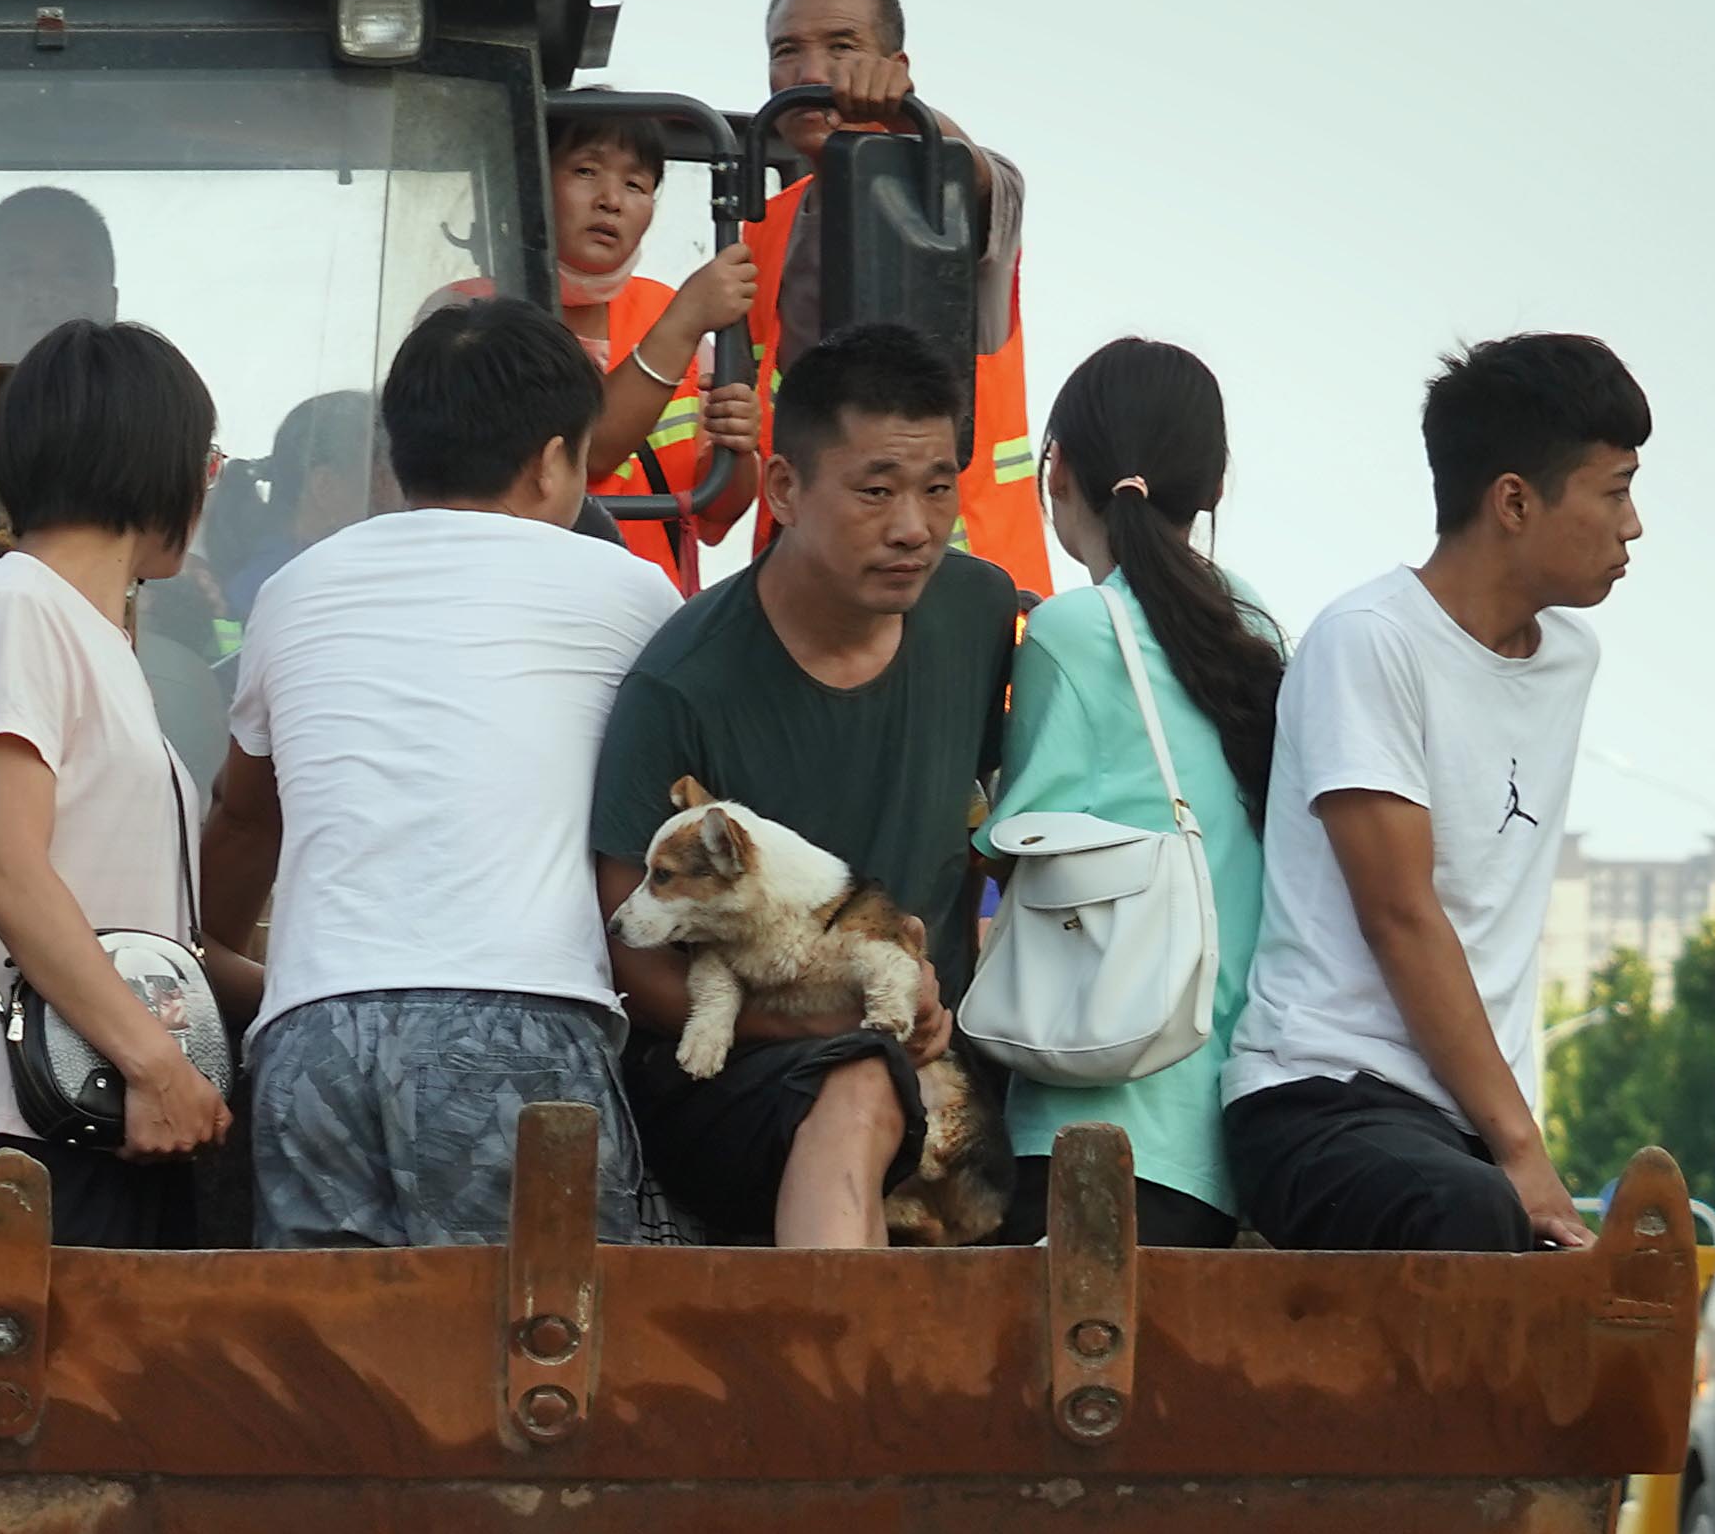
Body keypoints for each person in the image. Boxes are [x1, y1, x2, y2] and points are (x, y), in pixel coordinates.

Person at [210, 299, 681, 1248]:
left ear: (399, 454)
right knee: (546, 1364)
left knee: (332, 1374)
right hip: (518, 1023)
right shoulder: (631, 594)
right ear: (555, 460)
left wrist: (205, 953)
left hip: (312, 1038)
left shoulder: (293, 591)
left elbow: (246, 817)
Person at [588, 323, 1019, 1248]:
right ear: (783, 488)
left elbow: (982, 827)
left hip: (932, 1046)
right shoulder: (684, 685)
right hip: (733, 1074)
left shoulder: (978, 612)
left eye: (938, 487)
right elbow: (635, 951)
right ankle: (834, 1376)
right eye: (877, 491)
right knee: (861, 1079)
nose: (914, 526)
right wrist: (821, 1021)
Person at [1224, 332, 1649, 1257]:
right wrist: (1524, 1153)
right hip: (1323, 1097)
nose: (1634, 524)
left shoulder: (1572, 658)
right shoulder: (1369, 642)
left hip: (1468, 1125)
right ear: (1513, 501)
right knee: (1468, 1215)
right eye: (1615, 490)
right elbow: (1401, 916)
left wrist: (1512, 1144)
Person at [0, 318, 240, 1244]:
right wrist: (157, 1065)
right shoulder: (19, 608)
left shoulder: (87, 632)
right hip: (25, 1126)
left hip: (105, 1111)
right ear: (158, 464)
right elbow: (8, 868)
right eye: (202, 459)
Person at [980, 339, 1283, 1248]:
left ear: (1059, 469)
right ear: (1215, 486)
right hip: (1219, 1123)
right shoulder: (1252, 622)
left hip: (1092, 1103)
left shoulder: (1076, 630)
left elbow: (1012, 846)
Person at [732, 0, 1046, 593]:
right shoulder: (763, 226)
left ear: (895, 66)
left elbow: (990, 181)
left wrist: (915, 116)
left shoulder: (943, 190)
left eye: (842, 47)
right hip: (809, 584)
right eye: (786, 50)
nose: (811, 72)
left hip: (962, 592)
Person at [549, 101, 757, 592]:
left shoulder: (666, 310)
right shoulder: (471, 315)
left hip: (651, 626)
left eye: (635, 184)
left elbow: (716, 512)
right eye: (585, 171)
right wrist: (684, 321)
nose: (611, 200)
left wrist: (737, 449)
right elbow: (585, 457)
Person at [0, 186, 119, 363]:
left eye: (72, 275)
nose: (45, 293)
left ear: (112, 304)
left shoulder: (155, 390)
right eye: (19, 275)